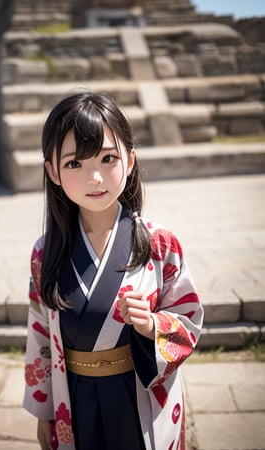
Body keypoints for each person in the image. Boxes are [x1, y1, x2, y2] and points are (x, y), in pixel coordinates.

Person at [23, 91, 204, 450]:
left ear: (131, 159)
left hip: (138, 395)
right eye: (74, 164)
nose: (94, 177)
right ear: (52, 172)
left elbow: (188, 317)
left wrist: (153, 324)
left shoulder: (160, 244)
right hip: (73, 398)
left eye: (108, 158)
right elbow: (40, 336)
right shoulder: (45, 253)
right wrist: (45, 411)